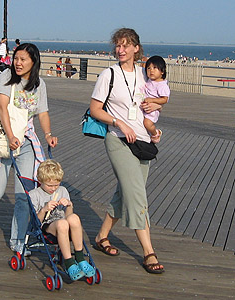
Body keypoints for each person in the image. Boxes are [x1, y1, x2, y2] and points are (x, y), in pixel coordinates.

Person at [90, 28, 164, 274]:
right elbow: (95, 110)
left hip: (143, 143)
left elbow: (155, 103)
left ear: (136, 48)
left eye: (125, 45)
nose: (120, 50)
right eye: (118, 46)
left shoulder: (145, 76)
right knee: (137, 195)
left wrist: (154, 129)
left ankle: (102, 237)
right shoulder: (108, 74)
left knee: (125, 194)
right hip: (118, 140)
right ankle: (148, 252)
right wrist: (118, 122)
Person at [0, 43, 58, 254]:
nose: (18, 63)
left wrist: (47, 135)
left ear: (33, 62)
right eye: (16, 58)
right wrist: (11, 136)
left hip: (27, 142)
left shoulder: (39, 85)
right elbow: (2, 107)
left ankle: (18, 240)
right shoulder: (6, 77)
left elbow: (43, 113)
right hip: (4, 140)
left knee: (24, 195)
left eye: (23, 59)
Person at [29, 159, 95, 281]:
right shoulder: (34, 194)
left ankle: (80, 258)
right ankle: (69, 262)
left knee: (74, 218)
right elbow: (36, 222)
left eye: (56, 185)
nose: (53, 189)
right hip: (47, 225)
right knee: (62, 224)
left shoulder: (62, 190)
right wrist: (44, 209)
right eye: (49, 185)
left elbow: (68, 215)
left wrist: (69, 205)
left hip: (63, 221)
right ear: (40, 181)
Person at [143, 56, 170, 143]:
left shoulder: (161, 85)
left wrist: (152, 100)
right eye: (149, 68)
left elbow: (165, 99)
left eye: (155, 68)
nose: (151, 70)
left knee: (147, 123)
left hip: (152, 110)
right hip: (145, 107)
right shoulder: (150, 80)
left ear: (162, 71)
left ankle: (155, 133)